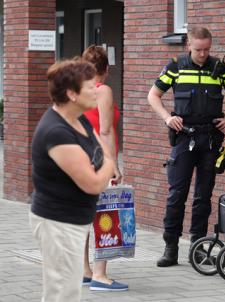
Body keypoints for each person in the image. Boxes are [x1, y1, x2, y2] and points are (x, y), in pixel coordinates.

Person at [148, 27, 225, 267]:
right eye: (198, 49)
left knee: (203, 197)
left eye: (207, 49)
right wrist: (167, 118)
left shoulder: (219, 68)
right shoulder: (176, 67)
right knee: (176, 195)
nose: (203, 54)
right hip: (184, 138)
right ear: (188, 46)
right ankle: (170, 248)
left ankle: (198, 248)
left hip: (210, 140)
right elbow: (153, 95)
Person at [29, 59, 115, 302]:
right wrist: (110, 165)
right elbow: (95, 183)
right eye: (90, 87)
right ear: (71, 93)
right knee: (62, 294)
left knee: (67, 291)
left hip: (72, 221)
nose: (96, 90)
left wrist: (105, 163)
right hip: (58, 224)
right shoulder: (56, 132)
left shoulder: (79, 119)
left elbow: (101, 152)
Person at [81, 45, 128, 291]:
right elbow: (106, 130)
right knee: (104, 215)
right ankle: (100, 275)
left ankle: (84, 270)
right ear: (105, 70)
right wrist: (113, 164)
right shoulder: (103, 91)